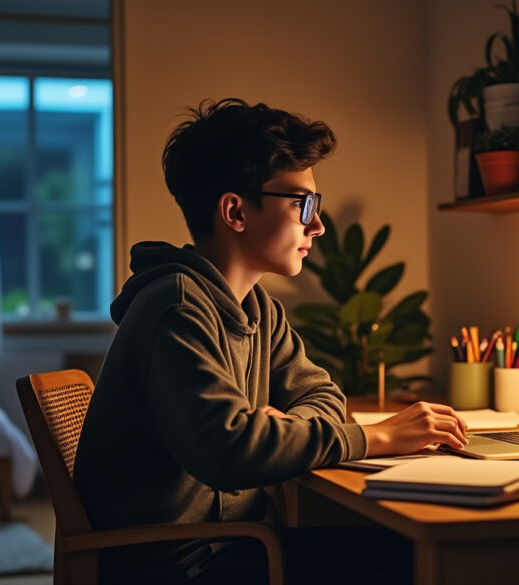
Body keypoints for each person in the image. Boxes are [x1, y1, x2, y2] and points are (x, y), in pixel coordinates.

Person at [72, 98, 468, 584]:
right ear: (235, 210)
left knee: (407, 551)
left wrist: (275, 430)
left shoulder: (256, 307)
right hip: (182, 565)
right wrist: (378, 436)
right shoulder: (175, 309)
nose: (317, 225)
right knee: (415, 562)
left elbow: (322, 396)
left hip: (233, 543)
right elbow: (232, 453)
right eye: (303, 204)